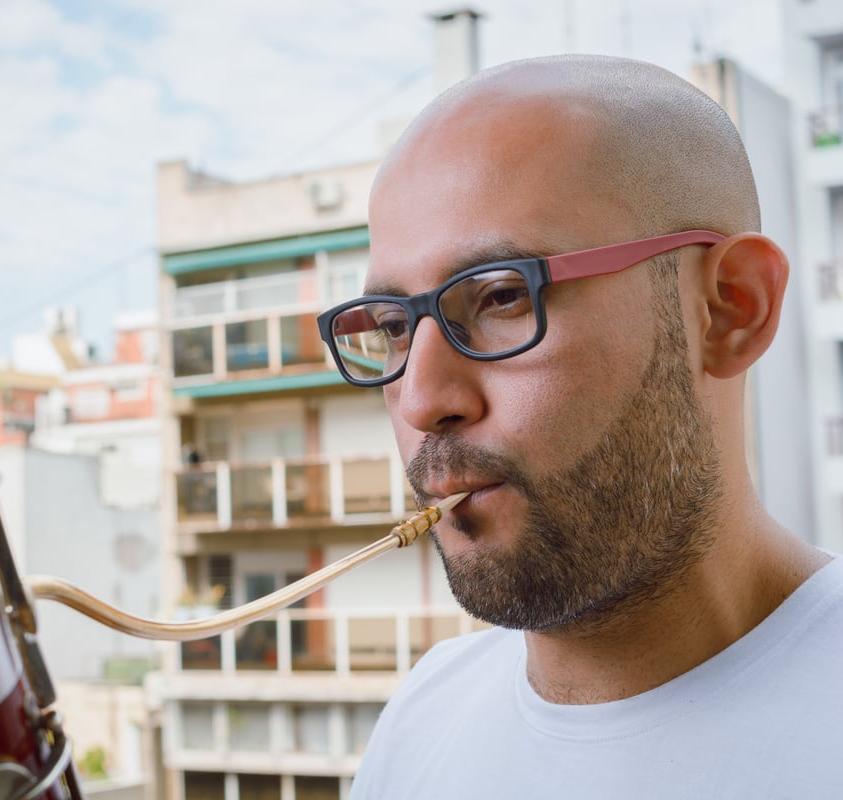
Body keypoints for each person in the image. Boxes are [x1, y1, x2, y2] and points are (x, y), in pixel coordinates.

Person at [315, 54, 843, 798]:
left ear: (732, 308)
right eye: (397, 327)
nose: (420, 400)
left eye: (500, 297)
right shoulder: (421, 718)